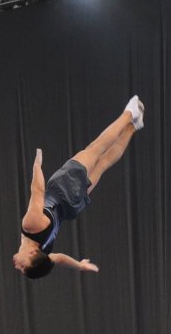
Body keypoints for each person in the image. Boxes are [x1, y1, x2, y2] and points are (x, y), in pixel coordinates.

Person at [13, 97, 144, 278]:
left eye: (21, 269)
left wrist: (79, 266)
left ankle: (133, 127)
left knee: (103, 163)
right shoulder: (31, 225)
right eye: (23, 266)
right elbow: (37, 191)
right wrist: (37, 166)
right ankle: (130, 112)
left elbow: (58, 259)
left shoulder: (44, 253)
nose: (18, 267)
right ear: (31, 254)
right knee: (96, 148)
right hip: (63, 188)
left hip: (72, 208)